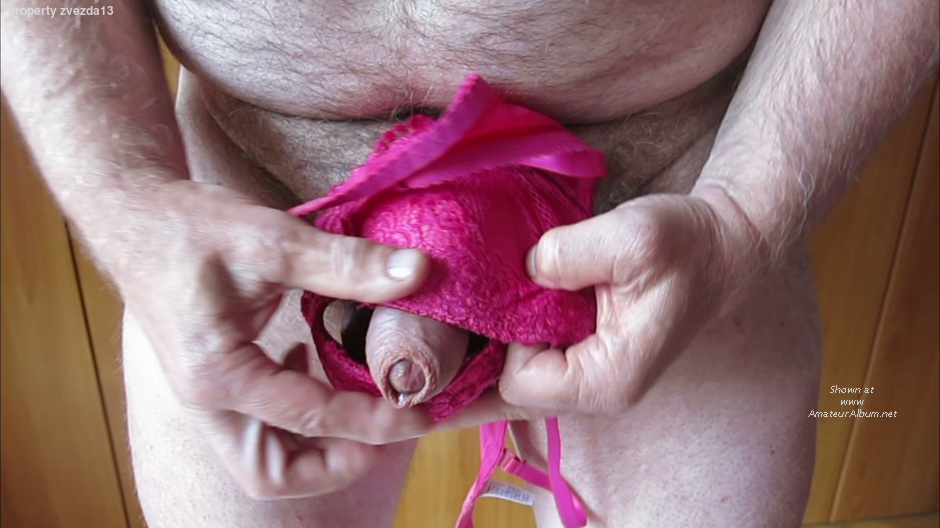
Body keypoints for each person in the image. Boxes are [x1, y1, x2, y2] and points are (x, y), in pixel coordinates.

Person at [2, 1, 937, 526]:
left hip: (673, 213)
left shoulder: (715, 220)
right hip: (252, 225)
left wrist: (743, 219)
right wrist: (129, 205)